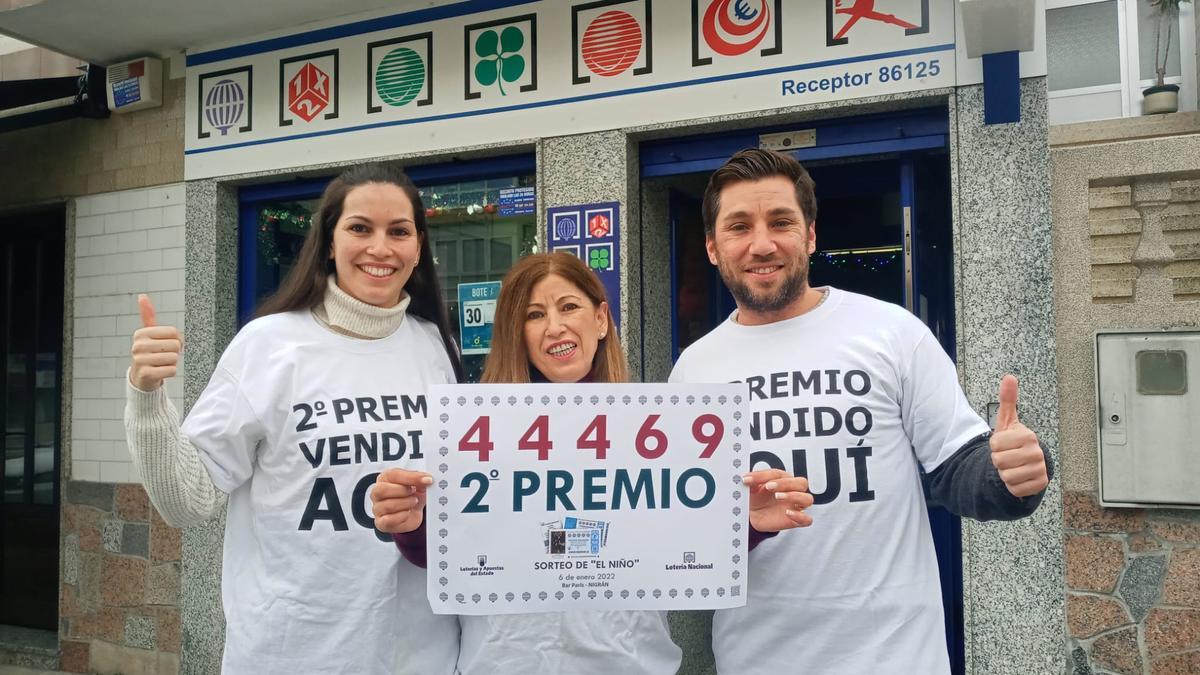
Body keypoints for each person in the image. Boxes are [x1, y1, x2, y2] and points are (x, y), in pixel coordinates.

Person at [668, 148, 1052, 674]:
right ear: (713, 247)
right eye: (739, 227)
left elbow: (957, 469)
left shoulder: (891, 332)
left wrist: (1009, 476)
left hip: (895, 657)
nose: (762, 243)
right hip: (755, 659)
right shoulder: (694, 368)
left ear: (810, 236)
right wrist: (747, 527)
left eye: (781, 221)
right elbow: (683, 532)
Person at [371, 251, 813, 674]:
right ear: (515, 332)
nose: (555, 327)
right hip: (505, 661)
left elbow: (683, 540)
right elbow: (445, 555)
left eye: (569, 307)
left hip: (631, 662)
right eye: (534, 315)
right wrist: (409, 523)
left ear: (600, 319)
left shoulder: (656, 429)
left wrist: (748, 521)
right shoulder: (472, 432)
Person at [124, 164, 463, 675]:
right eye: (359, 228)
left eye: (399, 231)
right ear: (328, 242)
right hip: (293, 650)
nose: (380, 247)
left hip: (421, 654)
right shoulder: (269, 345)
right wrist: (147, 398)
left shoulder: (438, 346)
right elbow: (187, 500)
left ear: (418, 247)